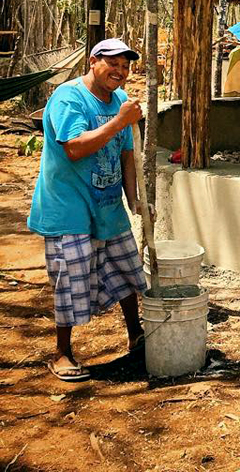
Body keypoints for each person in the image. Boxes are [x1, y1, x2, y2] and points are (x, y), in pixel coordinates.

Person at [27, 38, 147, 382]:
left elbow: (126, 154)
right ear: (94, 61)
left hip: (108, 205)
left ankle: (135, 334)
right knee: (71, 277)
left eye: (125, 67)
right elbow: (75, 149)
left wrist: (132, 197)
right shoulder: (69, 97)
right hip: (69, 207)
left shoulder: (120, 100)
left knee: (127, 271)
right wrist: (120, 121)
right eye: (113, 64)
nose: (120, 72)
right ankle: (62, 352)